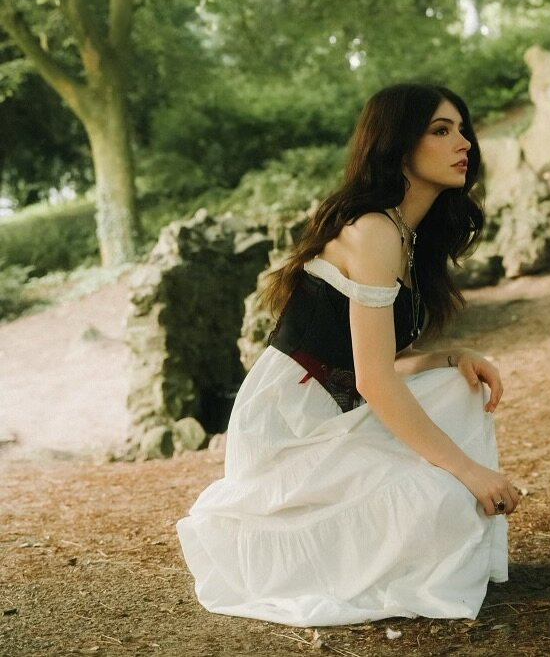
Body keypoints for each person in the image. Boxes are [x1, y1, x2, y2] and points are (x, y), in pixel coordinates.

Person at [177, 82, 519, 627]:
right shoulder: (372, 231)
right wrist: (469, 471)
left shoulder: (407, 236)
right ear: (398, 145)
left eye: (462, 130)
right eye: (441, 130)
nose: (464, 143)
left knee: (460, 389)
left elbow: (372, 363)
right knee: (446, 495)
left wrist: (449, 356)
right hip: (290, 420)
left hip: (339, 401)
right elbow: (374, 381)